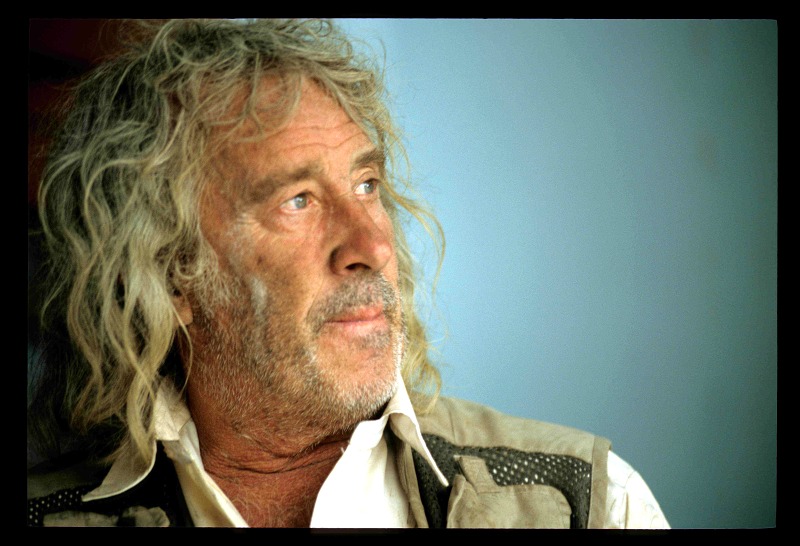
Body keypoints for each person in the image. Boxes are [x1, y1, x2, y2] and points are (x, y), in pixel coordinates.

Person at [27, 19, 669, 529]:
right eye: (298, 200)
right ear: (170, 275)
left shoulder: (588, 505)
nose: (373, 246)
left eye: (366, 185)